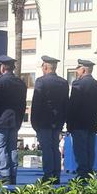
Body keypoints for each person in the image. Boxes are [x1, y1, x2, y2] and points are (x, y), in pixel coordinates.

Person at [0, 55, 28, 185]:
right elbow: (22, 104)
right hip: (14, 121)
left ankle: (5, 175)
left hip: (0, 121)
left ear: (3, 67)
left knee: (1, 148)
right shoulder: (21, 82)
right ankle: (13, 175)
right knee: (12, 149)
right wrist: (19, 120)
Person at [31, 55, 69, 183]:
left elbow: (37, 102)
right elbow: (65, 103)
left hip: (43, 121)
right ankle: (56, 175)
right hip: (57, 122)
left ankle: (48, 175)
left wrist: (34, 122)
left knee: (47, 149)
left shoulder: (41, 81)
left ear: (45, 67)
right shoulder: (63, 82)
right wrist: (62, 120)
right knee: (55, 148)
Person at [67, 59, 97, 179]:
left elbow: (73, 105)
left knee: (80, 149)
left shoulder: (78, 84)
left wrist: (69, 122)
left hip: (79, 122)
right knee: (89, 149)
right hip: (92, 122)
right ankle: (89, 172)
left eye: (78, 69)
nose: (77, 72)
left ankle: (82, 173)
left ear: (83, 69)